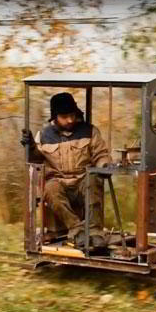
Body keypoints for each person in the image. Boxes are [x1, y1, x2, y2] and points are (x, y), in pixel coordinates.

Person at [21, 92, 111, 248]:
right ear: (55, 116)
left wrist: (104, 165)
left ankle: (95, 232)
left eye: (72, 115)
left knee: (94, 180)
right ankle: (77, 231)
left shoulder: (90, 131)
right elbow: (36, 160)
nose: (70, 120)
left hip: (84, 179)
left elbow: (101, 154)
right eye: (64, 116)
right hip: (58, 181)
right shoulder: (43, 135)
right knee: (48, 188)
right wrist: (31, 147)